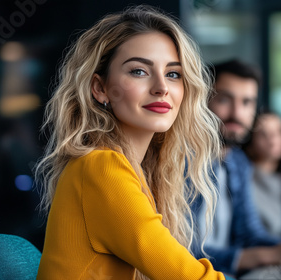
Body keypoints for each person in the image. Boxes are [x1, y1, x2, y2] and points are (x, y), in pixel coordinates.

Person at [35, 6, 231, 280]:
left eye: (173, 74)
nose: (161, 87)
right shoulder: (101, 168)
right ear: (100, 88)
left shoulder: (137, 171)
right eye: (139, 71)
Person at [193, 60, 281, 275]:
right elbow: (185, 253)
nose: (237, 113)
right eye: (224, 99)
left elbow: (249, 235)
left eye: (247, 102)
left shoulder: (238, 162)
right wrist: (272, 254)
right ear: (201, 100)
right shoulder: (180, 162)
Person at [243, 111, 281, 237]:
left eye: (280, 132)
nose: (273, 139)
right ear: (250, 141)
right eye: (263, 134)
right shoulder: (244, 180)